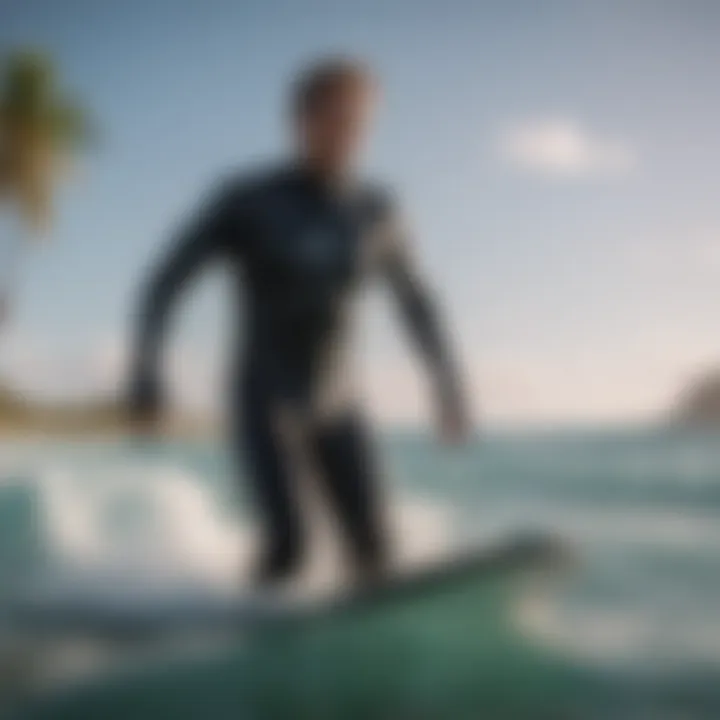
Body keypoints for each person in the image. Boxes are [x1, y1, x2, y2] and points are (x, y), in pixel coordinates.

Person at [128, 57, 470, 587]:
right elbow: (165, 281)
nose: (346, 136)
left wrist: (447, 383)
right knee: (291, 546)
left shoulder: (378, 211)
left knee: (376, 551)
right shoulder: (248, 201)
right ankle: (247, 638)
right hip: (265, 398)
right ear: (299, 122)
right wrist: (146, 368)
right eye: (334, 120)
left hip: (340, 402)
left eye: (358, 124)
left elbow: (416, 303)